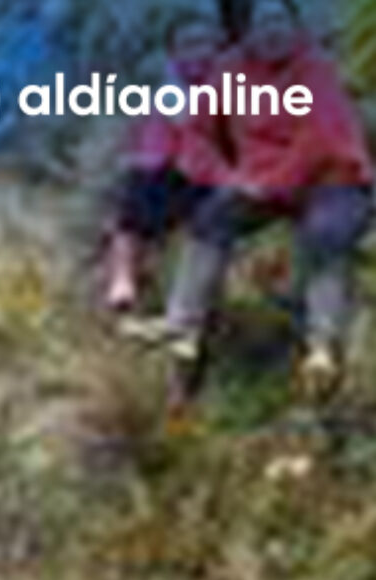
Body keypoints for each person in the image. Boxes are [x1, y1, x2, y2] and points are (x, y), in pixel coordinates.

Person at [147, 0, 373, 400]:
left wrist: (267, 184)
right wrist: (227, 178)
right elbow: (196, 135)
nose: (273, 30)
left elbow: (320, 142)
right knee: (211, 218)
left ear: (296, 26)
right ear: (247, 32)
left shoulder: (314, 68)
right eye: (263, 22)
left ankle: (322, 346)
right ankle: (183, 326)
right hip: (263, 185)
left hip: (333, 179)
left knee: (325, 235)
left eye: (280, 20)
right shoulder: (230, 69)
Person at [103, 10, 229, 312]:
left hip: (214, 173)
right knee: (135, 199)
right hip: (169, 168)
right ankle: (123, 281)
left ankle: (192, 298)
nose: (198, 51)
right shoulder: (169, 87)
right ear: (174, 52)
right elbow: (159, 140)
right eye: (188, 44)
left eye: (205, 43)